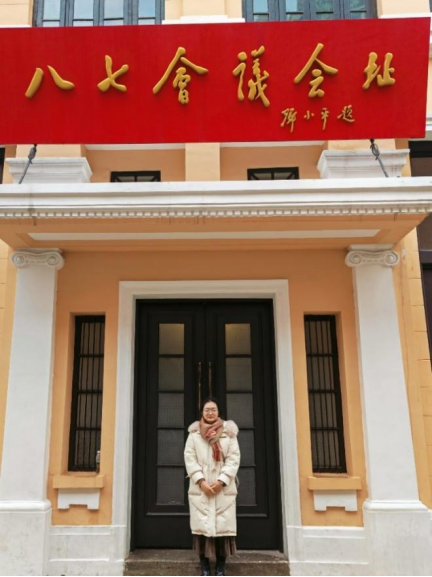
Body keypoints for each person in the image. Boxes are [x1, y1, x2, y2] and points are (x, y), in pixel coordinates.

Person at [184, 398, 241, 577]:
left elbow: (233, 459)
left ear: (219, 412)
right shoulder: (194, 435)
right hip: (201, 489)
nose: (210, 412)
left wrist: (221, 481)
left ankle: (221, 568)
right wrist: (201, 481)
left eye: (213, 409)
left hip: (223, 489)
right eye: (207, 409)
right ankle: (205, 567)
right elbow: (189, 458)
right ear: (202, 412)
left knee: (223, 529)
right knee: (202, 529)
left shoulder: (229, 434)